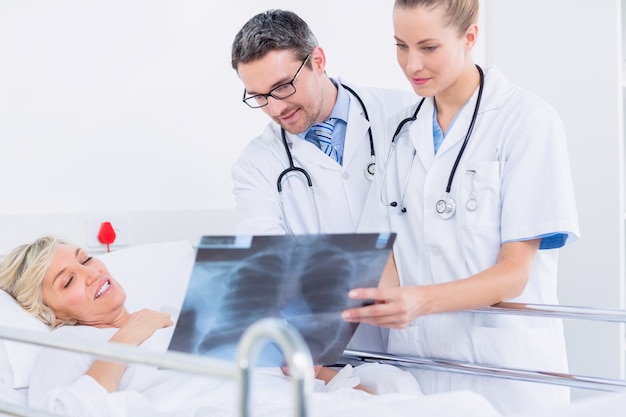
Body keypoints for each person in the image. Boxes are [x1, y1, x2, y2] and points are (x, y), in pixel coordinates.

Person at [341, 0, 580, 415]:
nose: (411, 63)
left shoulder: (525, 121)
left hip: (506, 372)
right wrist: (382, 298)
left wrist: (419, 301)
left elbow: (514, 275)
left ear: (470, 37)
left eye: (428, 47)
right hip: (420, 369)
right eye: (401, 46)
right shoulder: (398, 133)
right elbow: (386, 247)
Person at [0, 236, 504, 417]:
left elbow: (266, 369)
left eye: (87, 259)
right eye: (68, 280)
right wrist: (126, 340)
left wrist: (323, 378)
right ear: (49, 311)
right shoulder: (64, 346)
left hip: (281, 398)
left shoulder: (178, 313)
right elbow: (65, 413)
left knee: (467, 409)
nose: (92, 274)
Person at [230, 9, 417, 236]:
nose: (275, 109)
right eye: (259, 96)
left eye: (282, 87)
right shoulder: (255, 164)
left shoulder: (405, 113)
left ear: (317, 61)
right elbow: (263, 259)